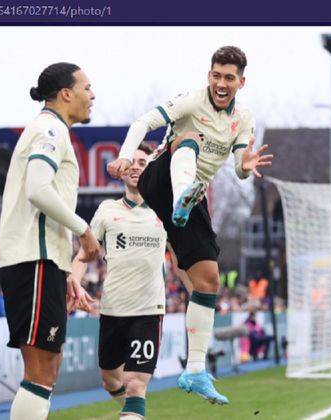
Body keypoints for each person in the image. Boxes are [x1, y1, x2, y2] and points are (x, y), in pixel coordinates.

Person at [107, 46, 273, 405]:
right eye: (216, 75)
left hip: (192, 198)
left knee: (208, 280)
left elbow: (242, 171)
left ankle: (195, 369)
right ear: (208, 76)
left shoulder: (243, 117)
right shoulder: (191, 101)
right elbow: (144, 122)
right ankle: (183, 198)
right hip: (159, 177)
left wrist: (246, 164)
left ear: (241, 82)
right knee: (189, 138)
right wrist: (124, 154)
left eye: (229, 77)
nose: (221, 82)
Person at [0, 62, 99, 420]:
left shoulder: (49, 130)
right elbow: (38, 189)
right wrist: (84, 231)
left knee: (47, 368)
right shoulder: (50, 130)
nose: (93, 95)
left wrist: (66, 271)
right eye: (87, 88)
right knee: (40, 370)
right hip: (33, 261)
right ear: (66, 93)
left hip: (41, 261)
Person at [70, 144, 165, 420]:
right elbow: (84, 254)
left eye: (143, 162)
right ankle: (133, 413)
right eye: (132, 161)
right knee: (111, 380)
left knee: (136, 385)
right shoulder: (107, 210)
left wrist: (199, 297)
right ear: (122, 169)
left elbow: (182, 261)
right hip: (112, 311)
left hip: (148, 311)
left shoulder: (163, 210)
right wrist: (74, 281)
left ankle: (134, 410)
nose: (136, 166)